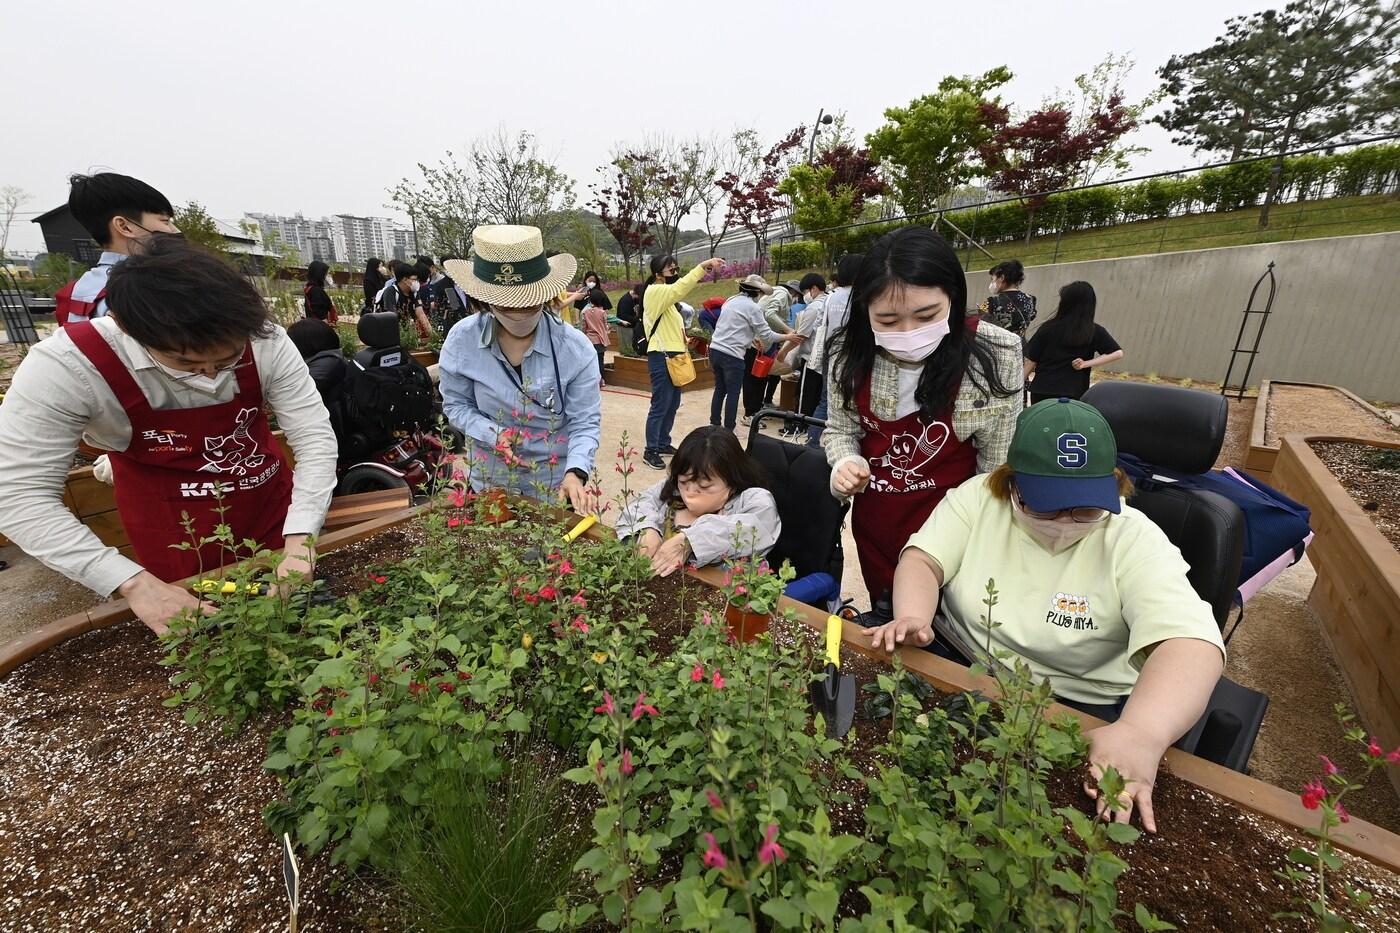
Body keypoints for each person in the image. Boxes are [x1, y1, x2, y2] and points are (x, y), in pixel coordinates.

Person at [866, 399, 1225, 832]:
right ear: (1011, 485)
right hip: (960, 664)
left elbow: (1191, 642)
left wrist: (1141, 734)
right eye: (1046, 505)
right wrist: (913, 615)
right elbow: (924, 561)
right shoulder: (977, 499)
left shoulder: (1135, 541)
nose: (1065, 522)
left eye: (1086, 509)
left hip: (1071, 706)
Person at [0, 237, 337, 635]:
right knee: (207, 639)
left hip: (268, 510)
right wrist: (133, 584)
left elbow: (314, 437)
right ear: (128, 329)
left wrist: (301, 540)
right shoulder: (67, 367)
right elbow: (18, 493)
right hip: (173, 533)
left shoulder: (265, 340)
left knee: (304, 620)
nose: (211, 377)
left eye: (227, 360)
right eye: (187, 364)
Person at [825, 225, 1023, 623]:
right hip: (879, 521)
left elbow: (997, 468)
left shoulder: (996, 354)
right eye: (888, 319)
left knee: (946, 629)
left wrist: (984, 543)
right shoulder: (849, 356)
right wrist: (844, 463)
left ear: (953, 296)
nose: (908, 333)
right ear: (865, 312)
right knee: (887, 616)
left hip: (955, 526)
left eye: (926, 315)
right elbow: (840, 430)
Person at [440, 225, 602, 515]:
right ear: (485, 299)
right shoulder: (462, 341)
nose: (518, 314)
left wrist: (575, 473)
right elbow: (456, 405)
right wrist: (492, 433)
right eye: (505, 305)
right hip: (492, 479)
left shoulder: (575, 349)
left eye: (528, 304)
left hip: (552, 482)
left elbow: (584, 422)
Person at [617, 426, 781, 577]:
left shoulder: (753, 500)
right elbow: (641, 503)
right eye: (683, 482)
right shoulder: (671, 490)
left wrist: (690, 540)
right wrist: (646, 528)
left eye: (704, 486)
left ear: (732, 481)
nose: (689, 494)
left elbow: (759, 525)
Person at [54, 173, 180, 326]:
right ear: (124, 226)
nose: (175, 231)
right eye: (165, 221)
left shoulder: (75, 293)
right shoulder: (152, 288)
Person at [640, 254, 727, 470]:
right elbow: (680, 288)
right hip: (661, 354)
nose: (673, 269)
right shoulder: (655, 291)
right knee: (661, 403)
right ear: (656, 271)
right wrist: (701, 266)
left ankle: (662, 442)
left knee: (672, 402)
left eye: (674, 266)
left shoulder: (667, 301)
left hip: (674, 353)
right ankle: (650, 449)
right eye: (668, 267)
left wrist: (686, 340)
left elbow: (669, 326)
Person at [707, 275, 804, 431]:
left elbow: (734, 325)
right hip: (733, 355)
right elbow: (768, 335)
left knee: (720, 389)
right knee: (733, 392)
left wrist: (752, 338)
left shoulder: (730, 300)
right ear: (758, 292)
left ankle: (714, 424)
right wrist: (789, 336)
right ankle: (729, 430)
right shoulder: (754, 307)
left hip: (715, 350)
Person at [1023, 281, 1124, 403]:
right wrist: (1086, 363)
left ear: (1066, 304)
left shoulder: (1048, 328)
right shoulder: (1093, 330)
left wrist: (1016, 386)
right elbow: (1117, 353)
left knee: (1041, 422)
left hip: (1043, 390)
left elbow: (1031, 360)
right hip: (1074, 393)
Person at [807, 254, 862, 448]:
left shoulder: (831, 297)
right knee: (855, 402)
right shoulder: (863, 297)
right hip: (853, 355)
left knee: (826, 400)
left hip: (830, 354)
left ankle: (812, 441)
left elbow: (820, 324)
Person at [780, 272, 828, 436]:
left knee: (804, 393)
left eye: (805, 292)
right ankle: (811, 426)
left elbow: (800, 336)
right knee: (816, 395)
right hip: (825, 358)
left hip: (811, 358)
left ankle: (798, 425)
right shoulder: (829, 302)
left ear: (813, 289)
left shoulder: (814, 307)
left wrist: (783, 352)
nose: (805, 296)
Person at [743, 280, 798, 421]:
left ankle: (757, 410)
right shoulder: (783, 294)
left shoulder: (773, 294)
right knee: (755, 378)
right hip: (759, 343)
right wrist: (788, 332)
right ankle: (751, 413)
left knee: (758, 378)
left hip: (761, 342)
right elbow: (770, 314)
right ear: (794, 293)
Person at [978, 259, 1037, 338]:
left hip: (997, 347)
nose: (992, 283)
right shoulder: (1031, 300)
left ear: (1002, 278)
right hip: (1020, 347)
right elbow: (1032, 316)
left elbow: (981, 327)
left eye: (993, 279)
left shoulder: (991, 302)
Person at [378, 261, 432, 340]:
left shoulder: (414, 293)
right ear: (405, 279)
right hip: (391, 335)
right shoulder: (391, 292)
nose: (416, 282)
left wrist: (432, 334)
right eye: (414, 279)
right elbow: (392, 317)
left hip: (409, 334)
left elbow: (421, 314)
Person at [580, 287, 611, 386]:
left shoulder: (586, 312)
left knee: (590, 362)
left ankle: (590, 380)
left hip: (589, 340)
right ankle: (601, 380)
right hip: (600, 340)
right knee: (600, 361)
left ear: (591, 300)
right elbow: (605, 326)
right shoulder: (602, 313)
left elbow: (584, 327)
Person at [616, 283, 643, 354]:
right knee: (627, 349)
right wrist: (637, 320)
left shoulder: (636, 299)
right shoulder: (625, 300)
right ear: (636, 294)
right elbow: (622, 315)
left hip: (633, 327)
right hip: (625, 328)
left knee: (632, 348)